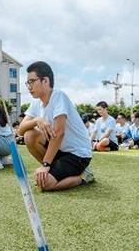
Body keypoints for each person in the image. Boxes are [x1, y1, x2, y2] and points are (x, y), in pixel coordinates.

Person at [19, 61, 93, 191]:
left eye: (32, 81)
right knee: (29, 135)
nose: (29, 86)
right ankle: (51, 172)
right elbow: (21, 130)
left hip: (77, 154)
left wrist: (46, 164)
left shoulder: (59, 96)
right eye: (27, 83)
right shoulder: (36, 103)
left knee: (45, 184)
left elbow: (59, 133)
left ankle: (84, 176)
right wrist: (37, 120)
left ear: (45, 81)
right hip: (60, 151)